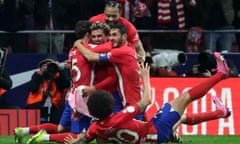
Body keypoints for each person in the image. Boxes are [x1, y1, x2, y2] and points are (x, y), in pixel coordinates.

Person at [63, 51, 230, 144]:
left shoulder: (95, 129)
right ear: (109, 104)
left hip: (149, 138)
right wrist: (145, 76)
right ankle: (222, 75)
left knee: (179, 114)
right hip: (156, 131)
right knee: (185, 97)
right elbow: (146, 101)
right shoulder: (121, 116)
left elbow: (83, 140)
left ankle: (220, 113)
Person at [25, 58, 71, 124]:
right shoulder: (37, 75)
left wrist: (60, 70)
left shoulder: (57, 77)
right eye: (44, 65)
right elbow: (32, 88)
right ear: (40, 68)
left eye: (49, 65)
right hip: (36, 105)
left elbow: (66, 85)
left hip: (54, 106)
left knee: (57, 119)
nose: (47, 67)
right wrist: (41, 75)